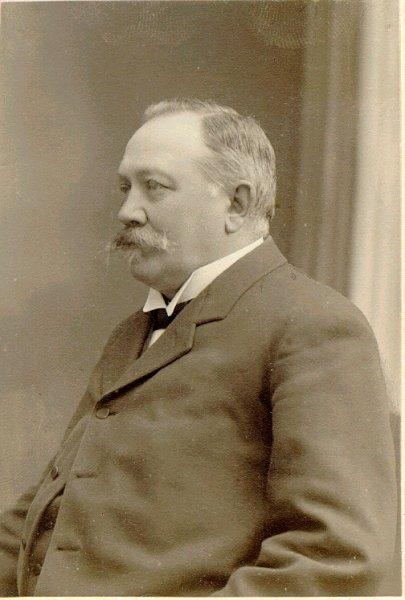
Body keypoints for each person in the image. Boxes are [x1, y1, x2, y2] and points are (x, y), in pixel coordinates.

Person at [0, 98, 396, 596]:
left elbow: (336, 557)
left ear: (236, 203)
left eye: (154, 187)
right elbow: (47, 514)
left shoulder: (313, 325)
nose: (127, 211)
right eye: (125, 187)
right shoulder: (133, 333)